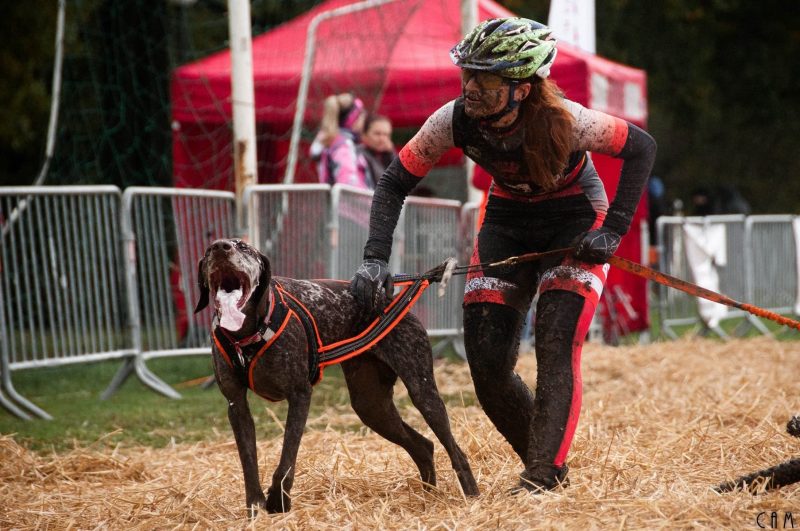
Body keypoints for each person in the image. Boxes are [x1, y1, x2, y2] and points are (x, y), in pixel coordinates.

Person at [350, 18, 656, 492]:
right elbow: (393, 182)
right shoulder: (451, 120)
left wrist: (613, 231)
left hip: (575, 219)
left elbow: (642, 149)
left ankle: (541, 476)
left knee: (555, 345)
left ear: (523, 88)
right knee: (488, 367)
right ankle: (547, 467)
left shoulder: (571, 121)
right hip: (507, 223)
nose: (469, 87)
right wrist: (374, 258)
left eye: (485, 79)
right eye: (466, 74)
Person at [310, 92, 369, 188]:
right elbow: (348, 182)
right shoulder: (343, 144)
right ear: (353, 119)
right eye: (361, 116)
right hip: (348, 202)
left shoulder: (331, 140)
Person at [357, 114, 396, 189]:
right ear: (364, 135)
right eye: (377, 134)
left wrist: (391, 154)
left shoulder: (387, 155)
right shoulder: (358, 154)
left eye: (386, 135)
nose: (382, 139)